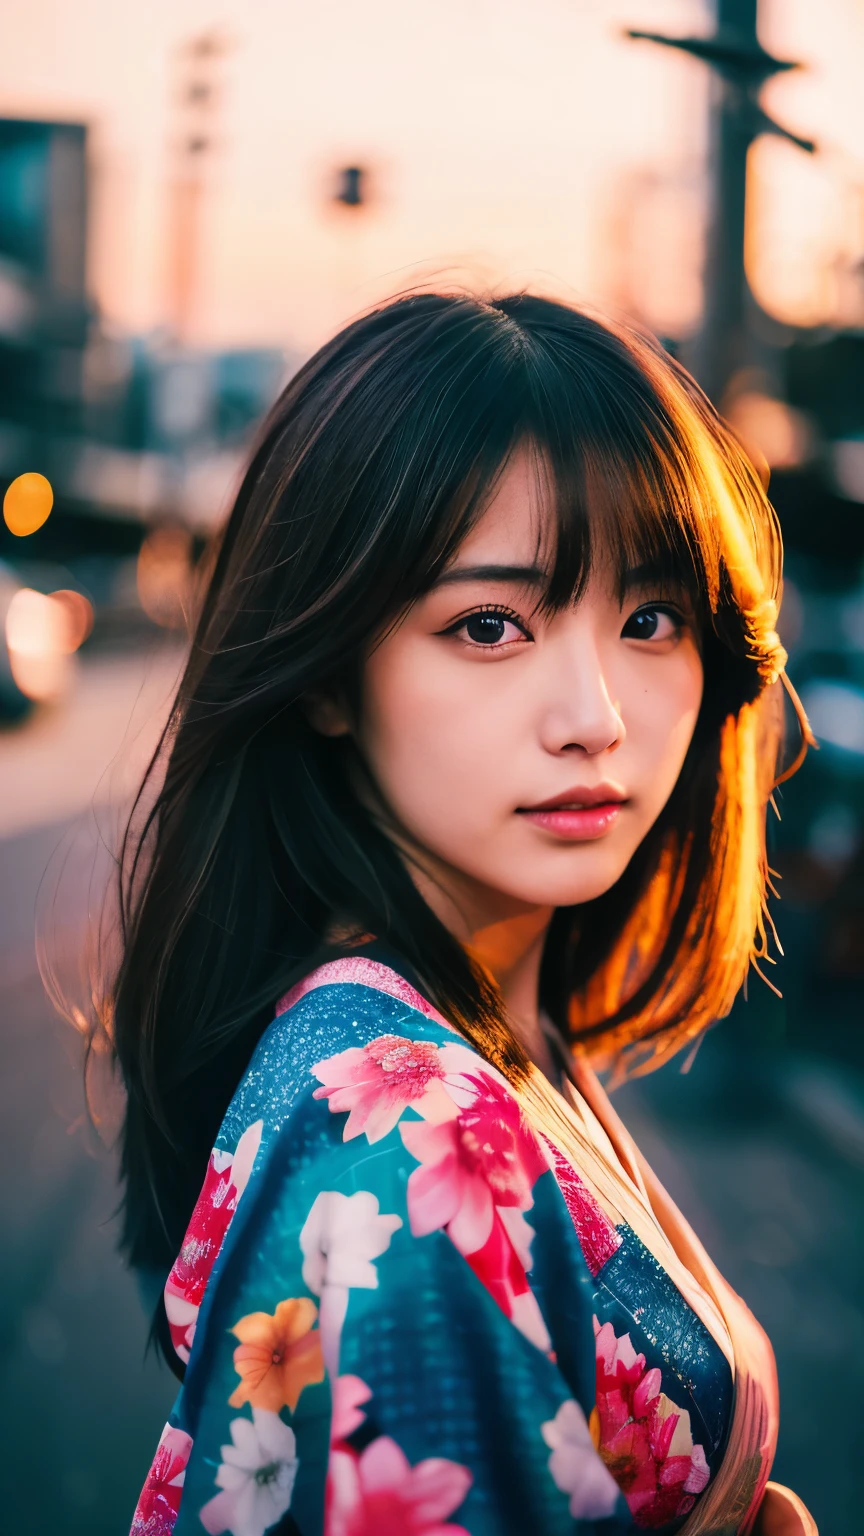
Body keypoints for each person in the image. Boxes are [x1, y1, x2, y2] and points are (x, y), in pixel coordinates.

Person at [116, 293, 817, 1535]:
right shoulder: (403, 1129)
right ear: (329, 671)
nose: (596, 713)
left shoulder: (483, 1024)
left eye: (650, 620)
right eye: (489, 624)